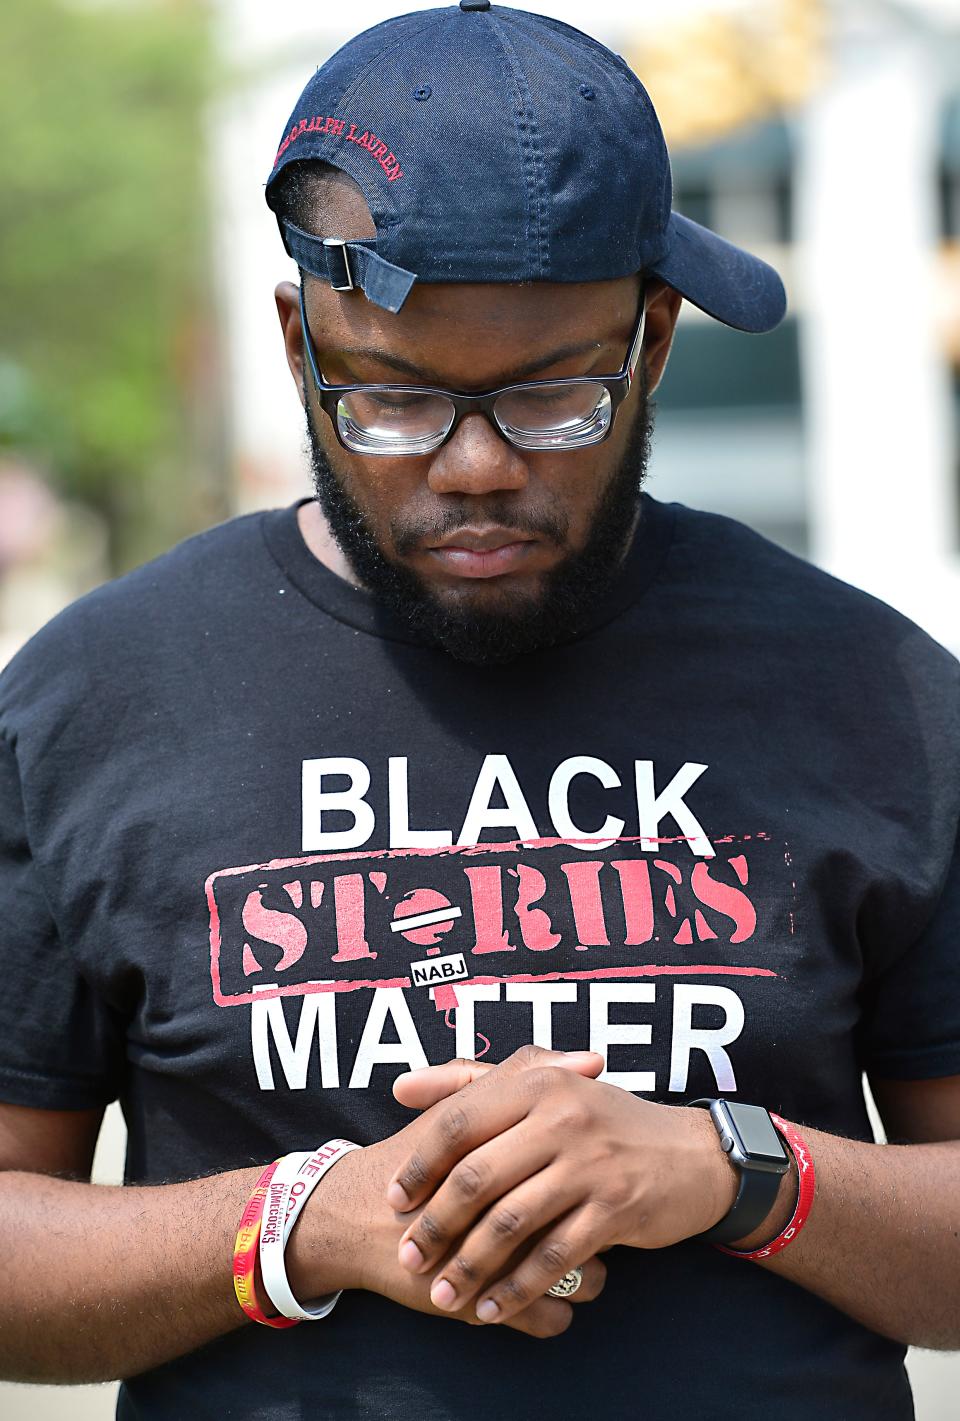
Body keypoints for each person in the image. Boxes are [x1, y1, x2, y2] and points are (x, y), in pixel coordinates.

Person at [0, 4, 958, 1417]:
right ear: (297, 343)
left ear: (656, 340)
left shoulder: (874, 692)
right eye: (389, 400)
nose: (475, 467)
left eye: (554, 393)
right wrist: (297, 1224)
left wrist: (733, 1169)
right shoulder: (94, 701)